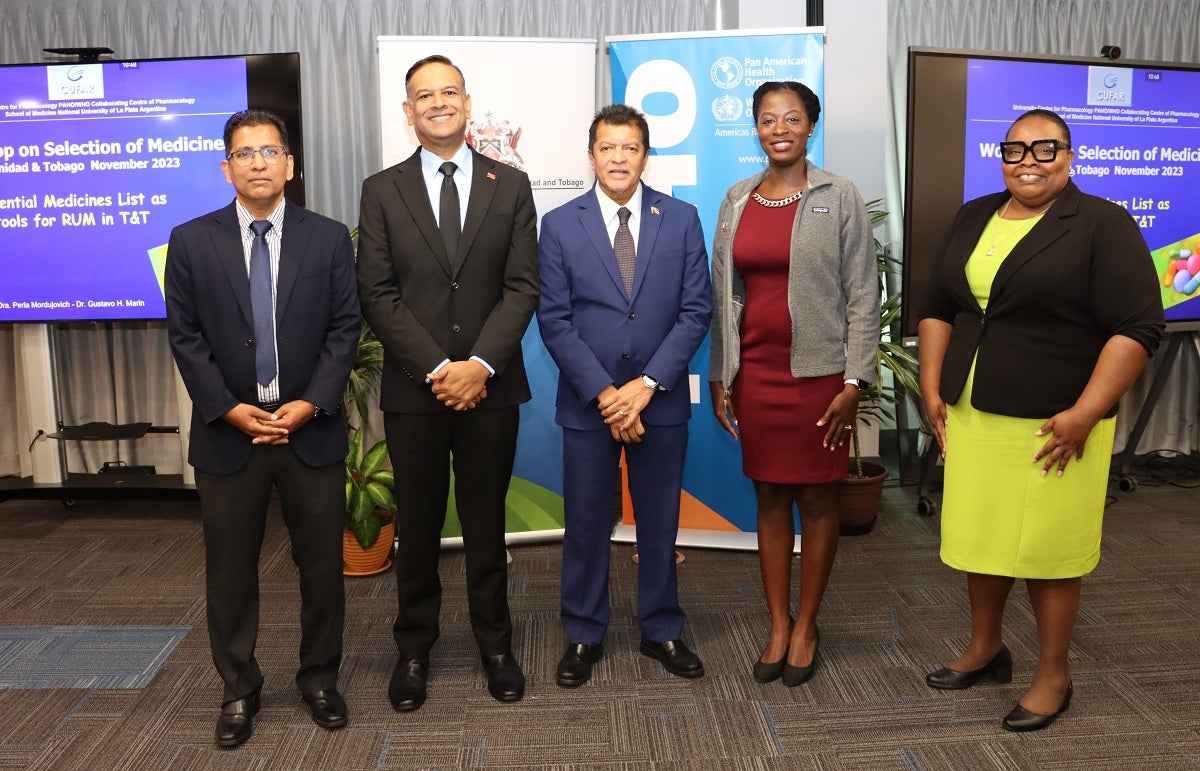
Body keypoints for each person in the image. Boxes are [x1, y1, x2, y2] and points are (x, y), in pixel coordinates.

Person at [918, 109, 1164, 732]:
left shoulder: (1102, 223)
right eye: (1015, 149)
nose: (1028, 160)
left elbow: (1138, 327)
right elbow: (940, 306)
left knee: (1049, 551)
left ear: (1070, 155)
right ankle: (986, 648)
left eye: (1044, 149)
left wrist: (1085, 413)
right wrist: (930, 385)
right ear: (1000, 156)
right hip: (973, 413)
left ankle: (1054, 672)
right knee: (982, 537)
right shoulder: (975, 215)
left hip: (1056, 424)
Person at [165, 109, 360, 747]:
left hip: (310, 429)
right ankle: (239, 688)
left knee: (321, 567)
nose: (257, 163)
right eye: (244, 154)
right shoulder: (190, 240)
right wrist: (226, 408)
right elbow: (186, 338)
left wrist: (312, 403)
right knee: (229, 570)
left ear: (289, 165)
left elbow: (344, 328)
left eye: (269, 151)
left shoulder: (329, 239)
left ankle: (320, 679)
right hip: (229, 434)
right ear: (227, 167)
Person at [356, 54, 538, 712]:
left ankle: (497, 645)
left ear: (468, 103)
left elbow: (522, 288)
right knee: (420, 527)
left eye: (448, 92)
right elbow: (377, 292)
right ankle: (414, 648)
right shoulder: (381, 190)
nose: (437, 103)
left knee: (488, 524)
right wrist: (438, 368)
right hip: (415, 392)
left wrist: (478, 365)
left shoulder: (510, 186)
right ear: (408, 111)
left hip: (492, 388)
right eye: (423, 95)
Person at [708, 81, 878, 687]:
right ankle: (777, 624)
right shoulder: (736, 199)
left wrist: (856, 379)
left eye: (792, 118)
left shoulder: (840, 195)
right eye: (767, 119)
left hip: (820, 378)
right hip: (756, 374)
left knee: (818, 499)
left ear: (811, 125)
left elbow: (864, 293)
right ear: (755, 128)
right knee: (770, 498)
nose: (779, 128)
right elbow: (723, 294)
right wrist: (722, 373)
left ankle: (807, 624)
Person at [537, 104, 713, 687]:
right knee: (586, 524)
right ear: (592, 155)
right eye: (608, 148)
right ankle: (584, 635)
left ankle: (661, 628)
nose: (619, 158)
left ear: (645, 155)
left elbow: (696, 311)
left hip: (657, 400)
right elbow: (555, 320)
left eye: (630, 147)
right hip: (590, 404)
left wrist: (644, 387)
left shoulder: (682, 218)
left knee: (659, 522)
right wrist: (607, 395)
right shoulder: (560, 223)